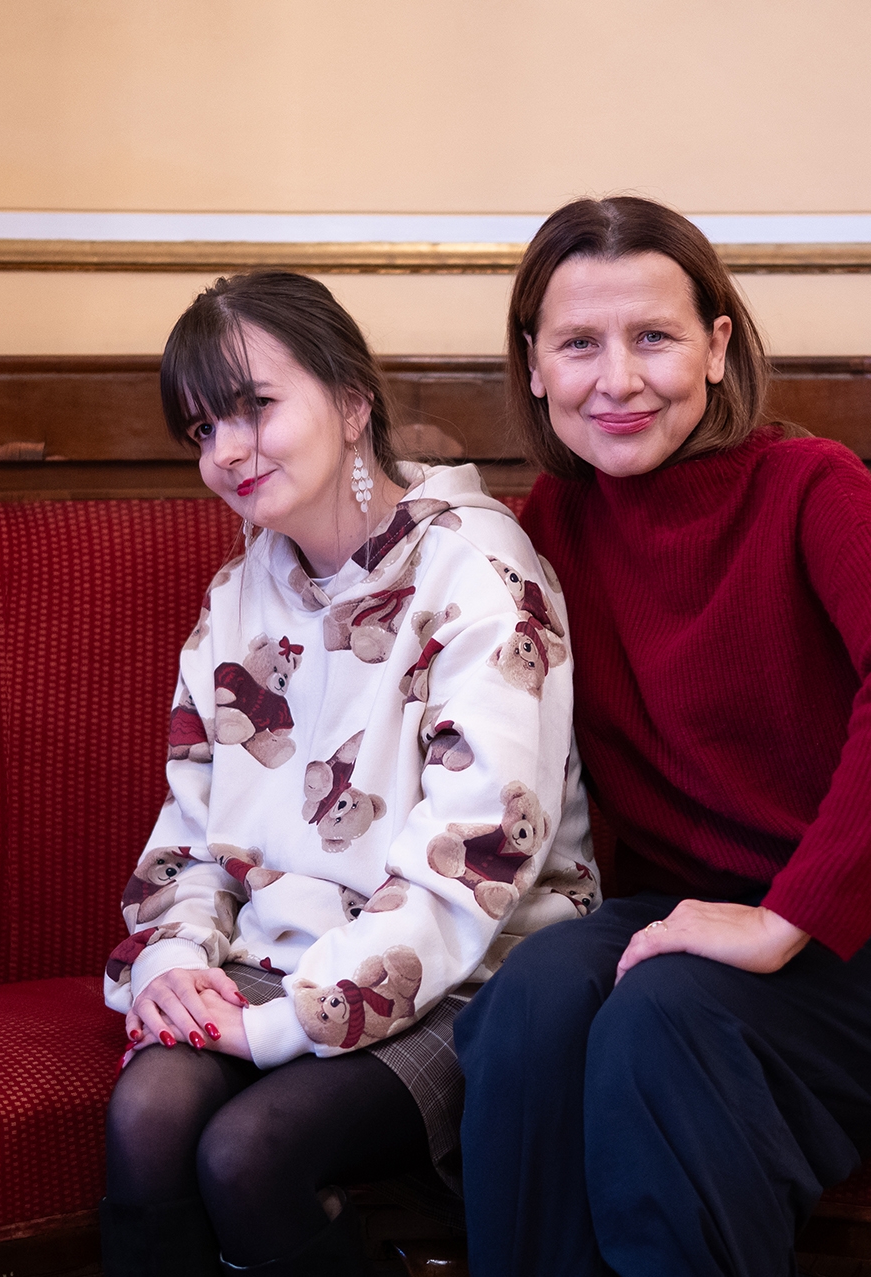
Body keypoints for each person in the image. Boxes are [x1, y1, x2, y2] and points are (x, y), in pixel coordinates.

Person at [454, 197, 871, 1277]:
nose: (618, 379)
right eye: (580, 344)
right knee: (534, 1002)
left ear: (717, 345)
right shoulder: (543, 527)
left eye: (654, 336)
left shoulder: (806, 483)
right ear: (534, 366)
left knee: (665, 1017)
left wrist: (787, 919)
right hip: (694, 918)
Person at [100, 271, 597, 1276]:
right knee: (147, 1116)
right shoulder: (239, 594)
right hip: (281, 950)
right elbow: (191, 832)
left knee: (251, 1153)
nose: (225, 450)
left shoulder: (477, 569)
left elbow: (475, 862)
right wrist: (174, 962)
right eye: (201, 428)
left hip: (468, 971)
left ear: (352, 399)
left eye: (254, 406)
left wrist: (283, 1024)